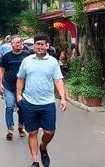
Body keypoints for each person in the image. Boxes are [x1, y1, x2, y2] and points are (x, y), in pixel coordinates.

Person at [16, 35, 67, 167]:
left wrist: (63, 98)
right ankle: (35, 161)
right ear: (34, 46)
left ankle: (43, 146)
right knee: (32, 132)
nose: (40, 47)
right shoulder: (27, 61)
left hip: (47, 103)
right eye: (37, 44)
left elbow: (58, 80)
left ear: (47, 46)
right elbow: (20, 78)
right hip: (29, 102)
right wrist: (19, 95)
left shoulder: (53, 62)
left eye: (42, 44)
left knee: (50, 132)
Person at [0, 35, 31, 140]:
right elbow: (1, 69)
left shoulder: (26, 56)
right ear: (11, 44)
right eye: (14, 43)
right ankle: (10, 129)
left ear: (22, 44)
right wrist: (0, 83)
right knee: (10, 106)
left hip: (22, 87)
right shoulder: (7, 56)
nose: (17, 44)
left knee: (22, 107)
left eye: (19, 42)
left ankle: (21, 126)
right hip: (9, 86)